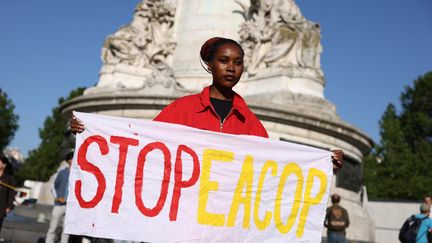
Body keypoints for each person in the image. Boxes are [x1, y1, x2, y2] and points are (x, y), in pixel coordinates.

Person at [70, 36, 344, 169]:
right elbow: (141, 144)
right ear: (210, 65)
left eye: (238, 62)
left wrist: (321, 164)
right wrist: (91, 131)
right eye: (223, 61)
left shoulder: (250, 122)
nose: (231, 68)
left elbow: (274, 165)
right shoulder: (182, 109)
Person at [46, 151, 73, 243]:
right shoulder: (62, 172)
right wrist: (57, 197)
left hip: (70, 207)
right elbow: (53, 187)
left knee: (66, 231)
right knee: (53, 227)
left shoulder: (78, 174)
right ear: (69, 160)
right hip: (59, 205)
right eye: (72, 158)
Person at [0, 155, 17, 236]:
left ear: (4, 165)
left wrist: (9, 206)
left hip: (1, 206)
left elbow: (11, 193)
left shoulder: (9, 179)